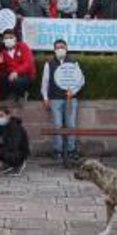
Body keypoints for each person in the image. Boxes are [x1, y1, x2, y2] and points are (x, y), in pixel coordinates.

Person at [41, 38, 85, 166]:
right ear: (54, 50)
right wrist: (45, 97)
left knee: (71, 125)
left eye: (62, 47)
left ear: (67, 48)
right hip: (55, 99)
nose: (60, 49)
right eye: (57, 47)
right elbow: (45, 82)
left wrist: (74, 91)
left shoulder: (74, 62)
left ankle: (71, 150)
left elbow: (81, 80)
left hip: (71, 98)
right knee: (57, 125)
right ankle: (57, 150)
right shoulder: (49, 63)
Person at [0, 29, 35, 102]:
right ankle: (3, 99)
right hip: (11, 75)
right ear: (3, 40)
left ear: (15, 38)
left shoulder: (23, 46)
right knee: (0, 77)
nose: (8, 40)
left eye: (11, 37)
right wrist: (0, 63)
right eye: (6, 38)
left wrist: (16, 72)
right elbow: (4, 68)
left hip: (26, 75)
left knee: (16, 81)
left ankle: (21, 96)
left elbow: (28, 63)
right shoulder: (2, 52)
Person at [0, 105, 29, 176]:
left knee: (3, 152)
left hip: (19, 151)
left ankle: (19, 164)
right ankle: (9, 164)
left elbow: (14, 145)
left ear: (8, 115)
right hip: (9, 147)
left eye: (1, 115)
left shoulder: (14, 127)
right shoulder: (1, 126)